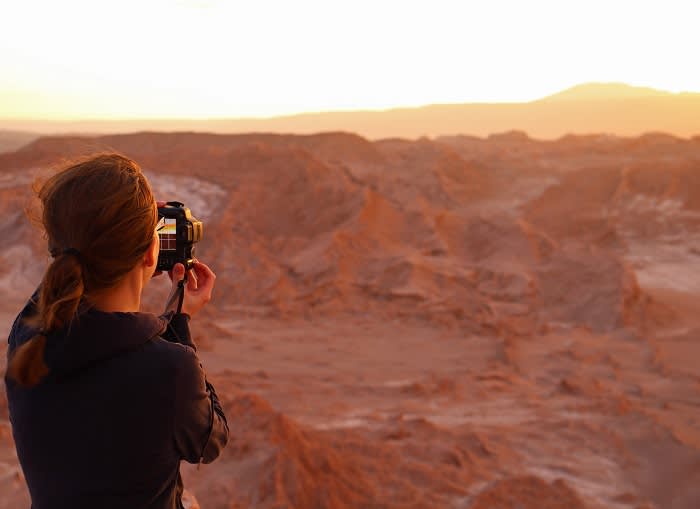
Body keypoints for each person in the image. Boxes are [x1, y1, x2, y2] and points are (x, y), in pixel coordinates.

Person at [4, 153, 228, 509]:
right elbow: (209, 441)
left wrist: (126, 239)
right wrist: (179, 324)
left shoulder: (26, 335)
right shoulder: (170, 369)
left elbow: (73, 258)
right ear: (150, 252)